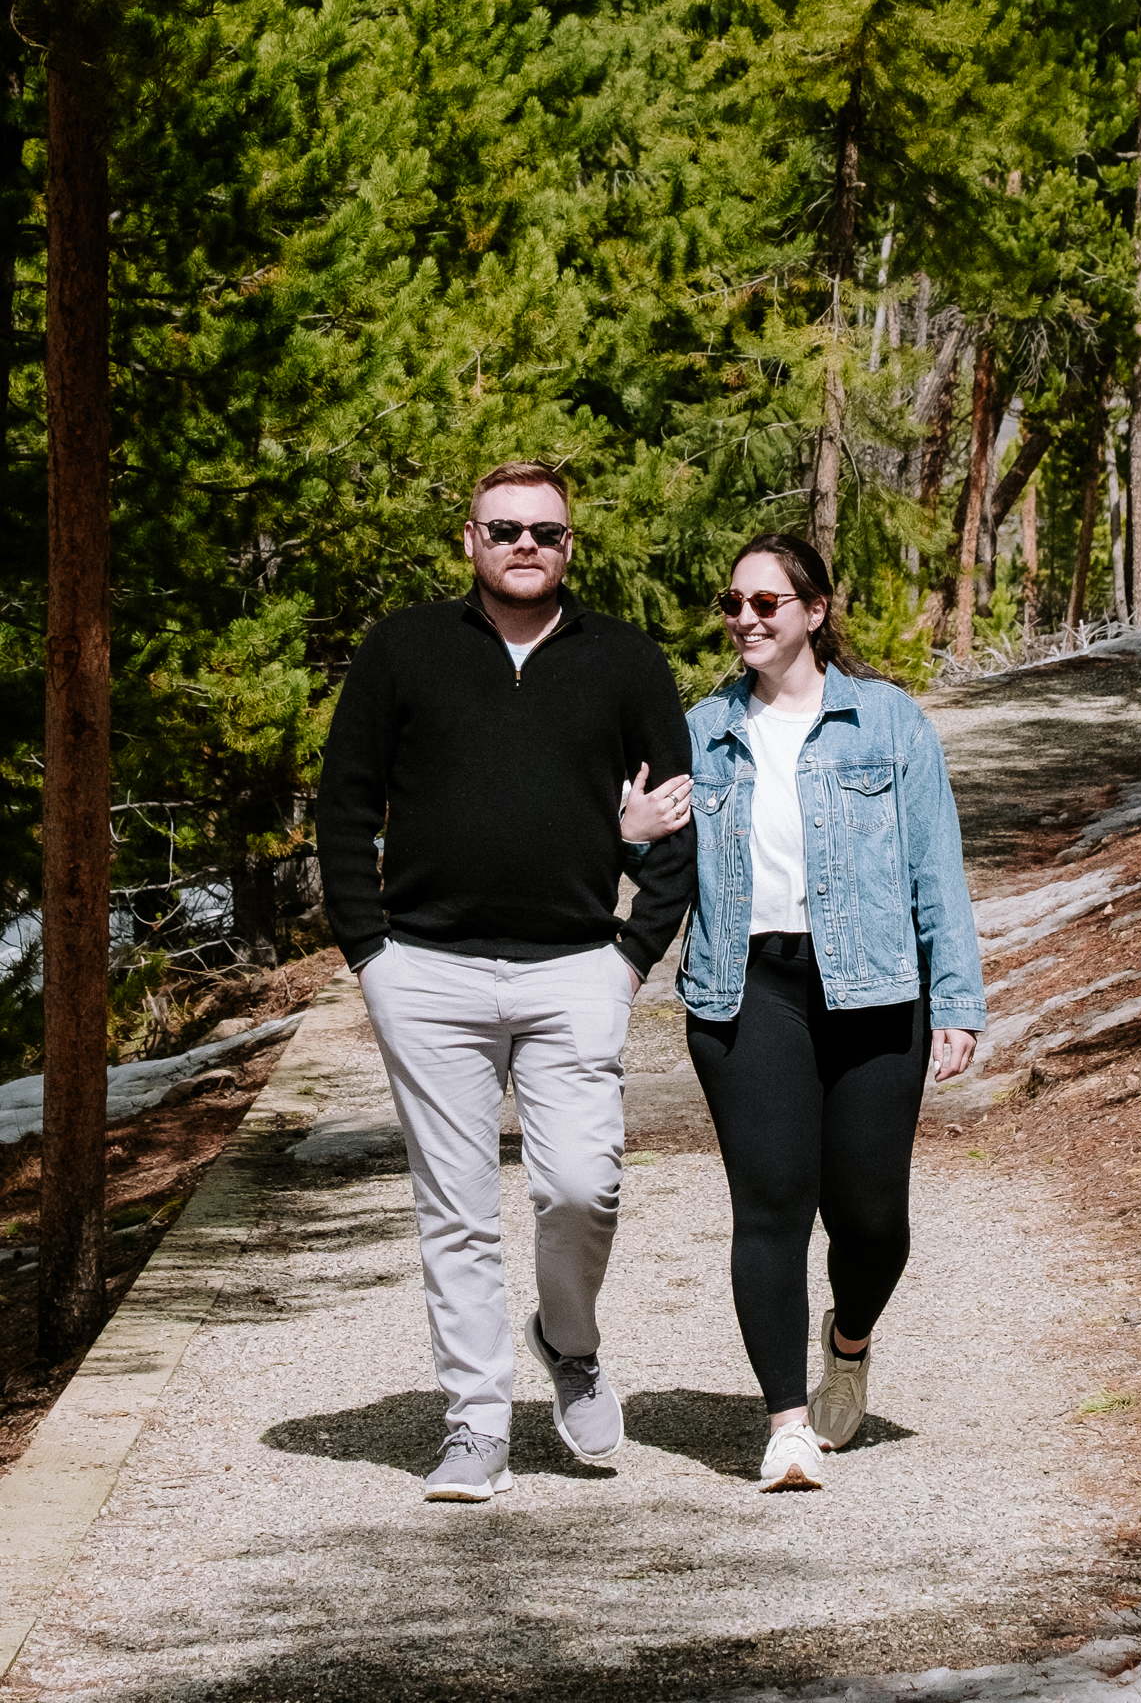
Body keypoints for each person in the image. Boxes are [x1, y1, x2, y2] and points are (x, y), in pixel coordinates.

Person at [315, 461, 695, 1502]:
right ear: (470, 540)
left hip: (577, 967)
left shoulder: (624, 660)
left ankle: (567, 1343)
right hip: (426, 974)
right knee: (457, 1212)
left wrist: (631, 957)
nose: (527, 544)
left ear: (572, 546)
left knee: (580, 1186)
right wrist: (370, 956)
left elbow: (676, 818)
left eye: (548, 532)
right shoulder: (403, 651)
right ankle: (476, 1427)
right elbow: (343, 808)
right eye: (506, 528)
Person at [630, 532, 984, 1493]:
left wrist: (958, 999)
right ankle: (785, 1421)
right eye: (732, 602)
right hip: (747, 992)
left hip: (876, 991)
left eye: (767, 603)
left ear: (814, 612)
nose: (746, 618)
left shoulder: (888, 721)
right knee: (772, 1203)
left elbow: (934, 870)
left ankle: (850, 1338)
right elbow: (652, 863)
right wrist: (625, 835)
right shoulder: (699, 732)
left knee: (872, 1220)